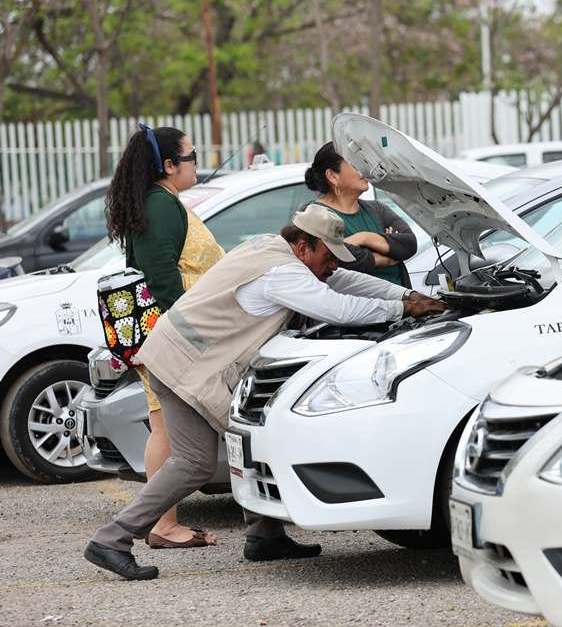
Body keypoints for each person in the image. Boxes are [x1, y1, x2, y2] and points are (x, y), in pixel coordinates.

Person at [84, 204, 446, 580]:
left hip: (181, 357)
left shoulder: (274, 248)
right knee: (194, 463)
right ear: (304, 246)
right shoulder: (283, 273)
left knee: (254, 438)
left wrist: (408, 295)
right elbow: (338, 308)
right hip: (183, 365)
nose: (333, 265)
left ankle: (265, 535)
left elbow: (343, 282)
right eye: (328, 257)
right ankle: (113, 538)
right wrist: (401, 308)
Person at [104, 124, 224, 549]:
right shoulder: (159, 206)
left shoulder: (164, 202)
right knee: (165, 429)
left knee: (165, 427)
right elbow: (162, 278)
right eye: (191, 157)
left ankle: (162, 523)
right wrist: (191, 336)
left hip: (172, 335)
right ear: (169, 165)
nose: (197, 164)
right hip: (172, 338)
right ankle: (161, 524)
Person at [305, 141, 418, 288]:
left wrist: (364, 238)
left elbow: (409, 244)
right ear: (332, 176)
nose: (365, 169)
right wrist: (383, 255)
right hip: (358, 308)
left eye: (364, 162)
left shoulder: (377, 209)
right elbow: (331, 258)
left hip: (405, 305)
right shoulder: (314, 214)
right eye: (355, 164)